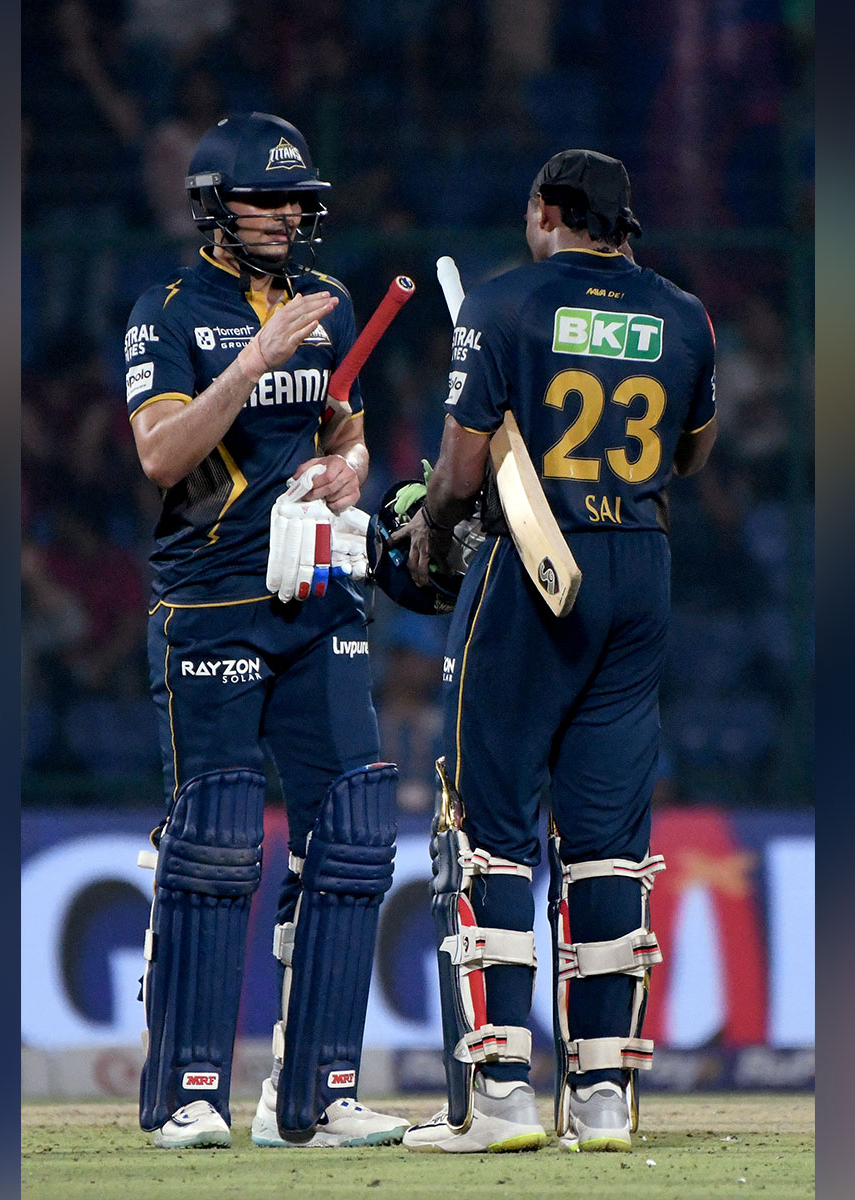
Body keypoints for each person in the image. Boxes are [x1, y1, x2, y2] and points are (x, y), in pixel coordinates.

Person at [389, 149, 718, 1153]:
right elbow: (691, 450)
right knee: (607, 836)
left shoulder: (501, 304)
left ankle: (498, 1096)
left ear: (544, 211)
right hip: (639, 566)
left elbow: (457, 473)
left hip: (534, 568)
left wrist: (428, 525)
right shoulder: (685, 316)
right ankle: (604, 1096)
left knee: (490, 823)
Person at [122, 112, 407, 1150]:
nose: (289, 215)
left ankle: (317, 1095)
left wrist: (351, 469)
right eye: (268, 199)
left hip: (319, 593)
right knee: (215, 839)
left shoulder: (325, 305)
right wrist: (252, 362)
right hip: (211, 599)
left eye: (300, 200)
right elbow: (160, 456)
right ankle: (185, 1092)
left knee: (354, 831)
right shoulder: (165, 313)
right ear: (214, 207)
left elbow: (347, 428)